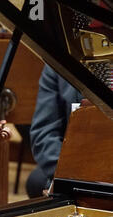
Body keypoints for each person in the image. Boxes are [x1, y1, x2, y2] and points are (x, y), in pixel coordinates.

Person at [26, 64, 83, 198]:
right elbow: (43, 132)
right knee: (36, 181)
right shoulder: (57, 63)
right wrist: (70, 173)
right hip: (74, 163)